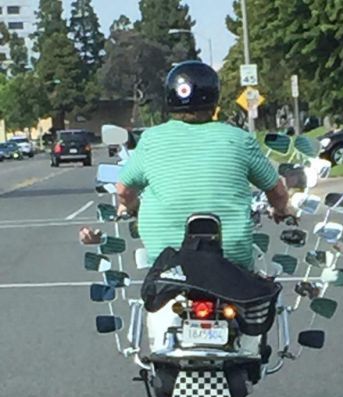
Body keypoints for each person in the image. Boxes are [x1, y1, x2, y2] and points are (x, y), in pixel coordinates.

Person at [80, 60, 294, 271]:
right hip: (231, 261)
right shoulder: (240, 139)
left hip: (168, 261)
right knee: (258, 288)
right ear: (214, 97)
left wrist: (133, 207)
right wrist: (281, 208)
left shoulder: (151, 140)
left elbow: (123, 190)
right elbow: (276, 191)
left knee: (157, 289)